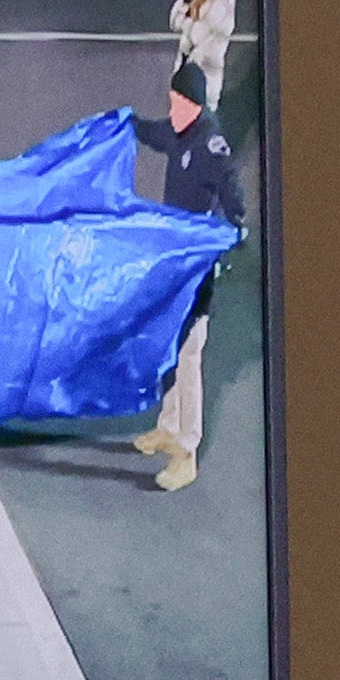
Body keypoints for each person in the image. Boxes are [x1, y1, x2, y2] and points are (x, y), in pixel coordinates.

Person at [135, 63, 247, 492]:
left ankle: (187, 452)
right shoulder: (180, 132)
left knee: (189, 356)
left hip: (197, 270)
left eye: (177, 103)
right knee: (169, 347)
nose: (171, 110)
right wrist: (126, 125)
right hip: (174, 263)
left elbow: (230, 188)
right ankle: (167, 426)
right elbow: (154, 134)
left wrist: (236, 225)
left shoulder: (209, 145)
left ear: (194, 105)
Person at [168, 0, 240, 118]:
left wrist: (189, 18)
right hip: (186, 71)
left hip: (205, 76)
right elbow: (174, 23)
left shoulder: (223, 0)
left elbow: (197, 35)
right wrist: (186, 0)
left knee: (202, 128)